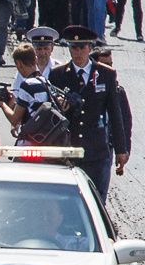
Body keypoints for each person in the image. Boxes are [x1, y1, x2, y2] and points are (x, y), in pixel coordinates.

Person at [47, 26, 130, 199]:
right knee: (67, 197)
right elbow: (50, 113)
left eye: (82, 48)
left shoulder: (105, 74)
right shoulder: (58, 75)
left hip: (95, 148)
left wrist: (121, 149)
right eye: (73, 48)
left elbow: (115, 113)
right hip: (68, 146)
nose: (78, 52)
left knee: (96, 197)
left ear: (90, 48)